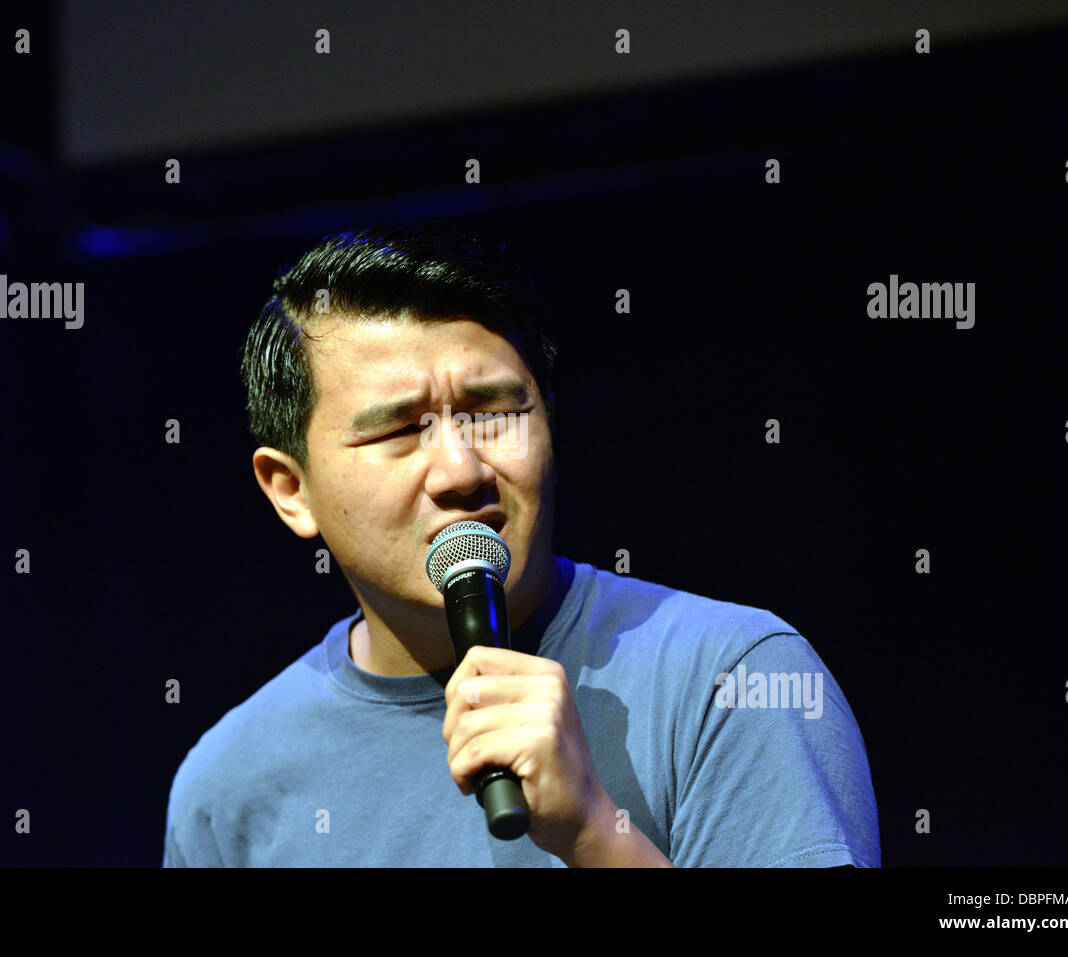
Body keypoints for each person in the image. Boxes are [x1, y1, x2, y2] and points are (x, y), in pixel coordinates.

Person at [162, 221, 880, 867]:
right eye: (399, 429)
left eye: (494, 412)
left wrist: (596, 833)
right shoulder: (228, 786)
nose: (462, 469)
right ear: (291, 489)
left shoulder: (732, 679)